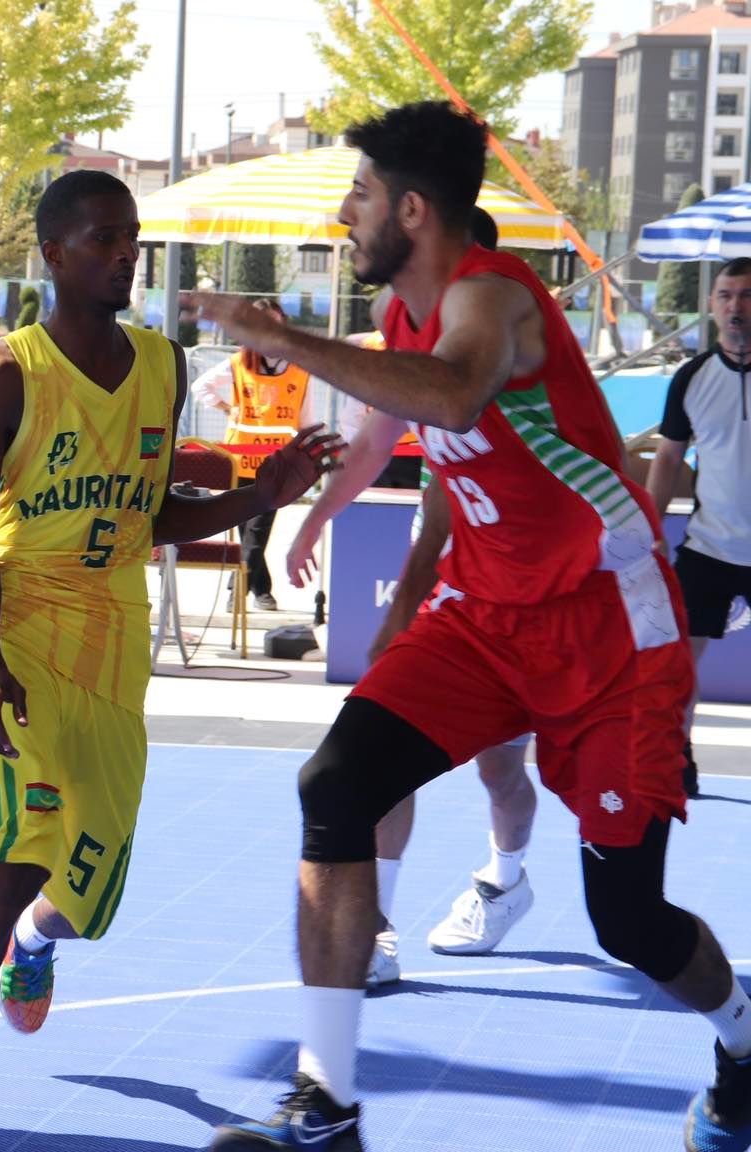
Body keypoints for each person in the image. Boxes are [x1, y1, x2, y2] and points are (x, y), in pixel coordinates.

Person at [191, 101, 751, 1152]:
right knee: (336, 785)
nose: (343, 213)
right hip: (487, 614)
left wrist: (280, 337)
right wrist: (329, 500)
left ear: (411, 208)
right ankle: (327, 1103)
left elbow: (450, 398)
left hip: (608, 630)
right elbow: (396, 426)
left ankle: (744, 1040)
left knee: (629, 923)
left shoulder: (491, 299)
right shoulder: (405, 318)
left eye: (358, 194)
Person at [0, 170, 342, 1152]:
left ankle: (34, 945)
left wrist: (264, 492)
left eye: (132, 239)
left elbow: (154, 513)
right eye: (105, 239)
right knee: (16, 854)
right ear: (54, 255)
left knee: (90, 880)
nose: (127, 255)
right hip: (20, 627)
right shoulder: (6, 376)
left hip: (114, 637)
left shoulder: (163, 367)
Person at [285, 205, 538, 990]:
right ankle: (379, 928)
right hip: (460, 600)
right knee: (371, 765)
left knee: (505, 778)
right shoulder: (415, 340)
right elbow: (402, 461)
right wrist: (318, 520)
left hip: (535, 606)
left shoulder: (527, 364)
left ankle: (505, 879)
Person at [646, 257, 751, 801]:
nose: (737, 307)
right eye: (726, 296)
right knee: (678, 669)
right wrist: (649, 529)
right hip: (709, 547)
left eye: (747, 295)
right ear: (711, 308)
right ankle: (677, 760)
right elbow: (667, 462)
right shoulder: (692, 378)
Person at [189, 299, 322, 611]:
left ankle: (238, 589)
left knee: (258, 531)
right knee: (247, 531)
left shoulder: (301, 371)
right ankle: (260, 588)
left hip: (277, 465)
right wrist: (228, 408)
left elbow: (307, 420)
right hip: (240, 462)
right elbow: (201, 387)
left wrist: (312, 455)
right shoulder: (238, 363)